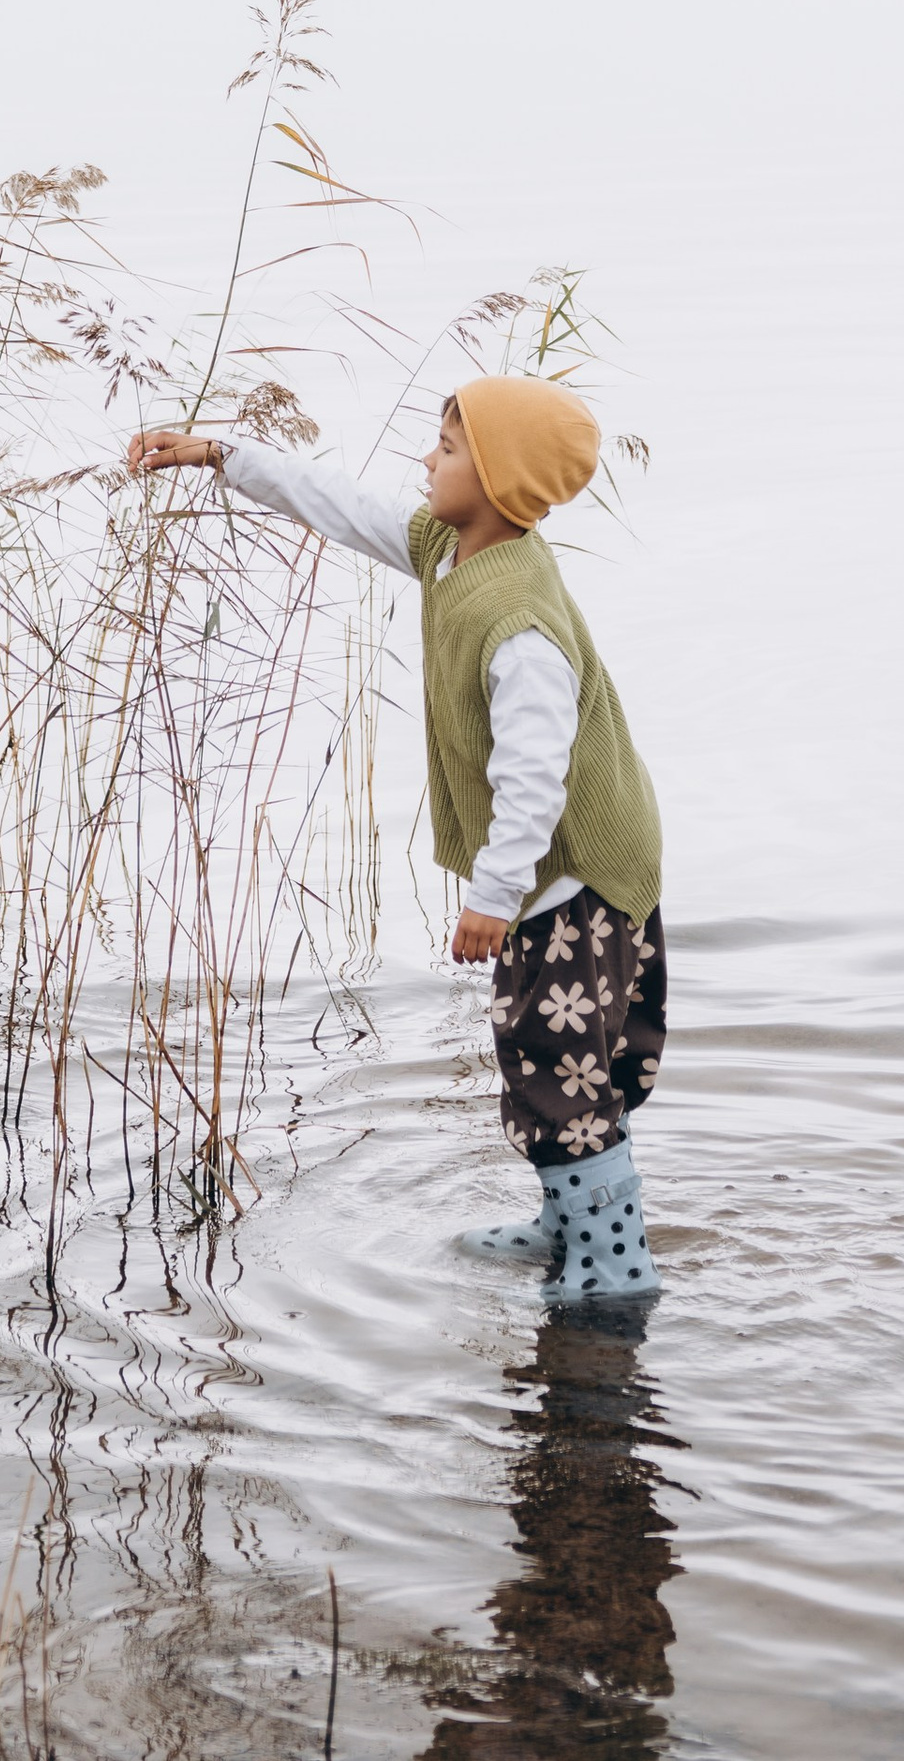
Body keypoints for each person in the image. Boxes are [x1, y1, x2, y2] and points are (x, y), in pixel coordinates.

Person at [124, 376, 663, 1297]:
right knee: (540, 1056)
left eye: (448, 449)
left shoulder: (519, 627)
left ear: (499, 479)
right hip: (549, 877)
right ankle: (568, 1222)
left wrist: (492, 895)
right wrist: (223, 455)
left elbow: (535, 775)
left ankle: (616, 1267)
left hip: (577, 878)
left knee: (561, 1065)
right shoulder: (450, 549)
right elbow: (340, 504)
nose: (427, 459)